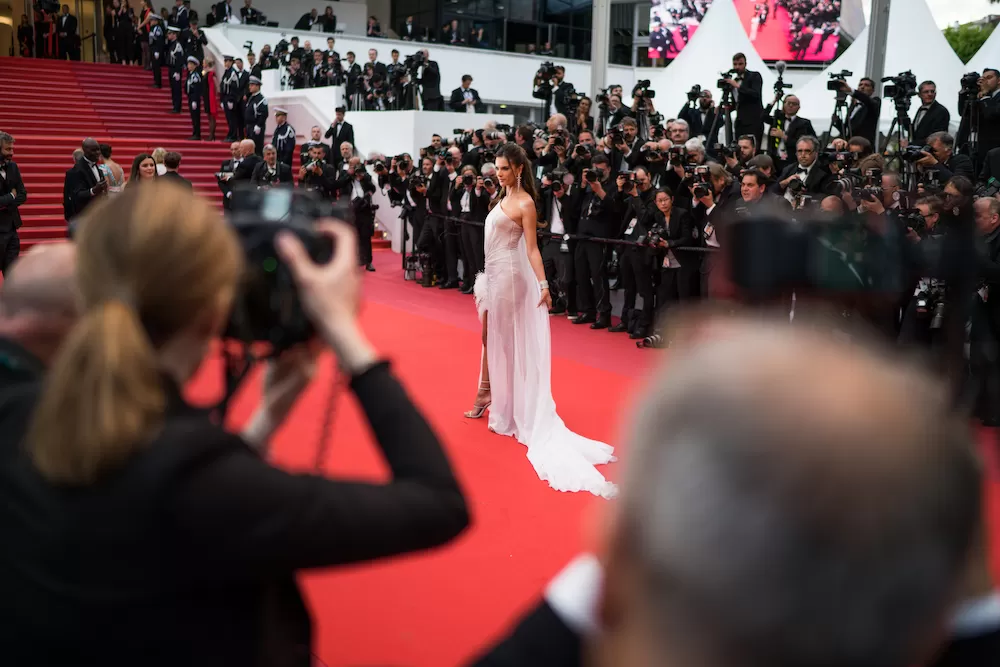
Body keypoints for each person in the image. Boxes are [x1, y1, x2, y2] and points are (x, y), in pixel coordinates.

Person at [0, 182, 470, 665]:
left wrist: (263, 423)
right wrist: (346, 333)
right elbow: (438, 504)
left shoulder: (18, 410)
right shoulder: (197, 482)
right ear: (214, 311)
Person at [466, 143, 616, 499]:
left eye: (504, 168)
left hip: (514, 279)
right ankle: (492, 395)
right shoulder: (499, 199)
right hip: (495, 276)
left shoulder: (526, 203)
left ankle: (492, 396)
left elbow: (532, 248)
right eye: (496, 167)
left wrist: (545, 284)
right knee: (491, 336)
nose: (498, 173)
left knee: (503, 338)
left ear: (519, 168)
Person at [0, 132, 26, 276]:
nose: (12, 153)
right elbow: (15, 194)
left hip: (11, 228)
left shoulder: (13, 167)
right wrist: (11, 195)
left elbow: (22, 194)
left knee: (12, 273)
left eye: (12, 149)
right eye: (8, 149)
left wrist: (6, 203)